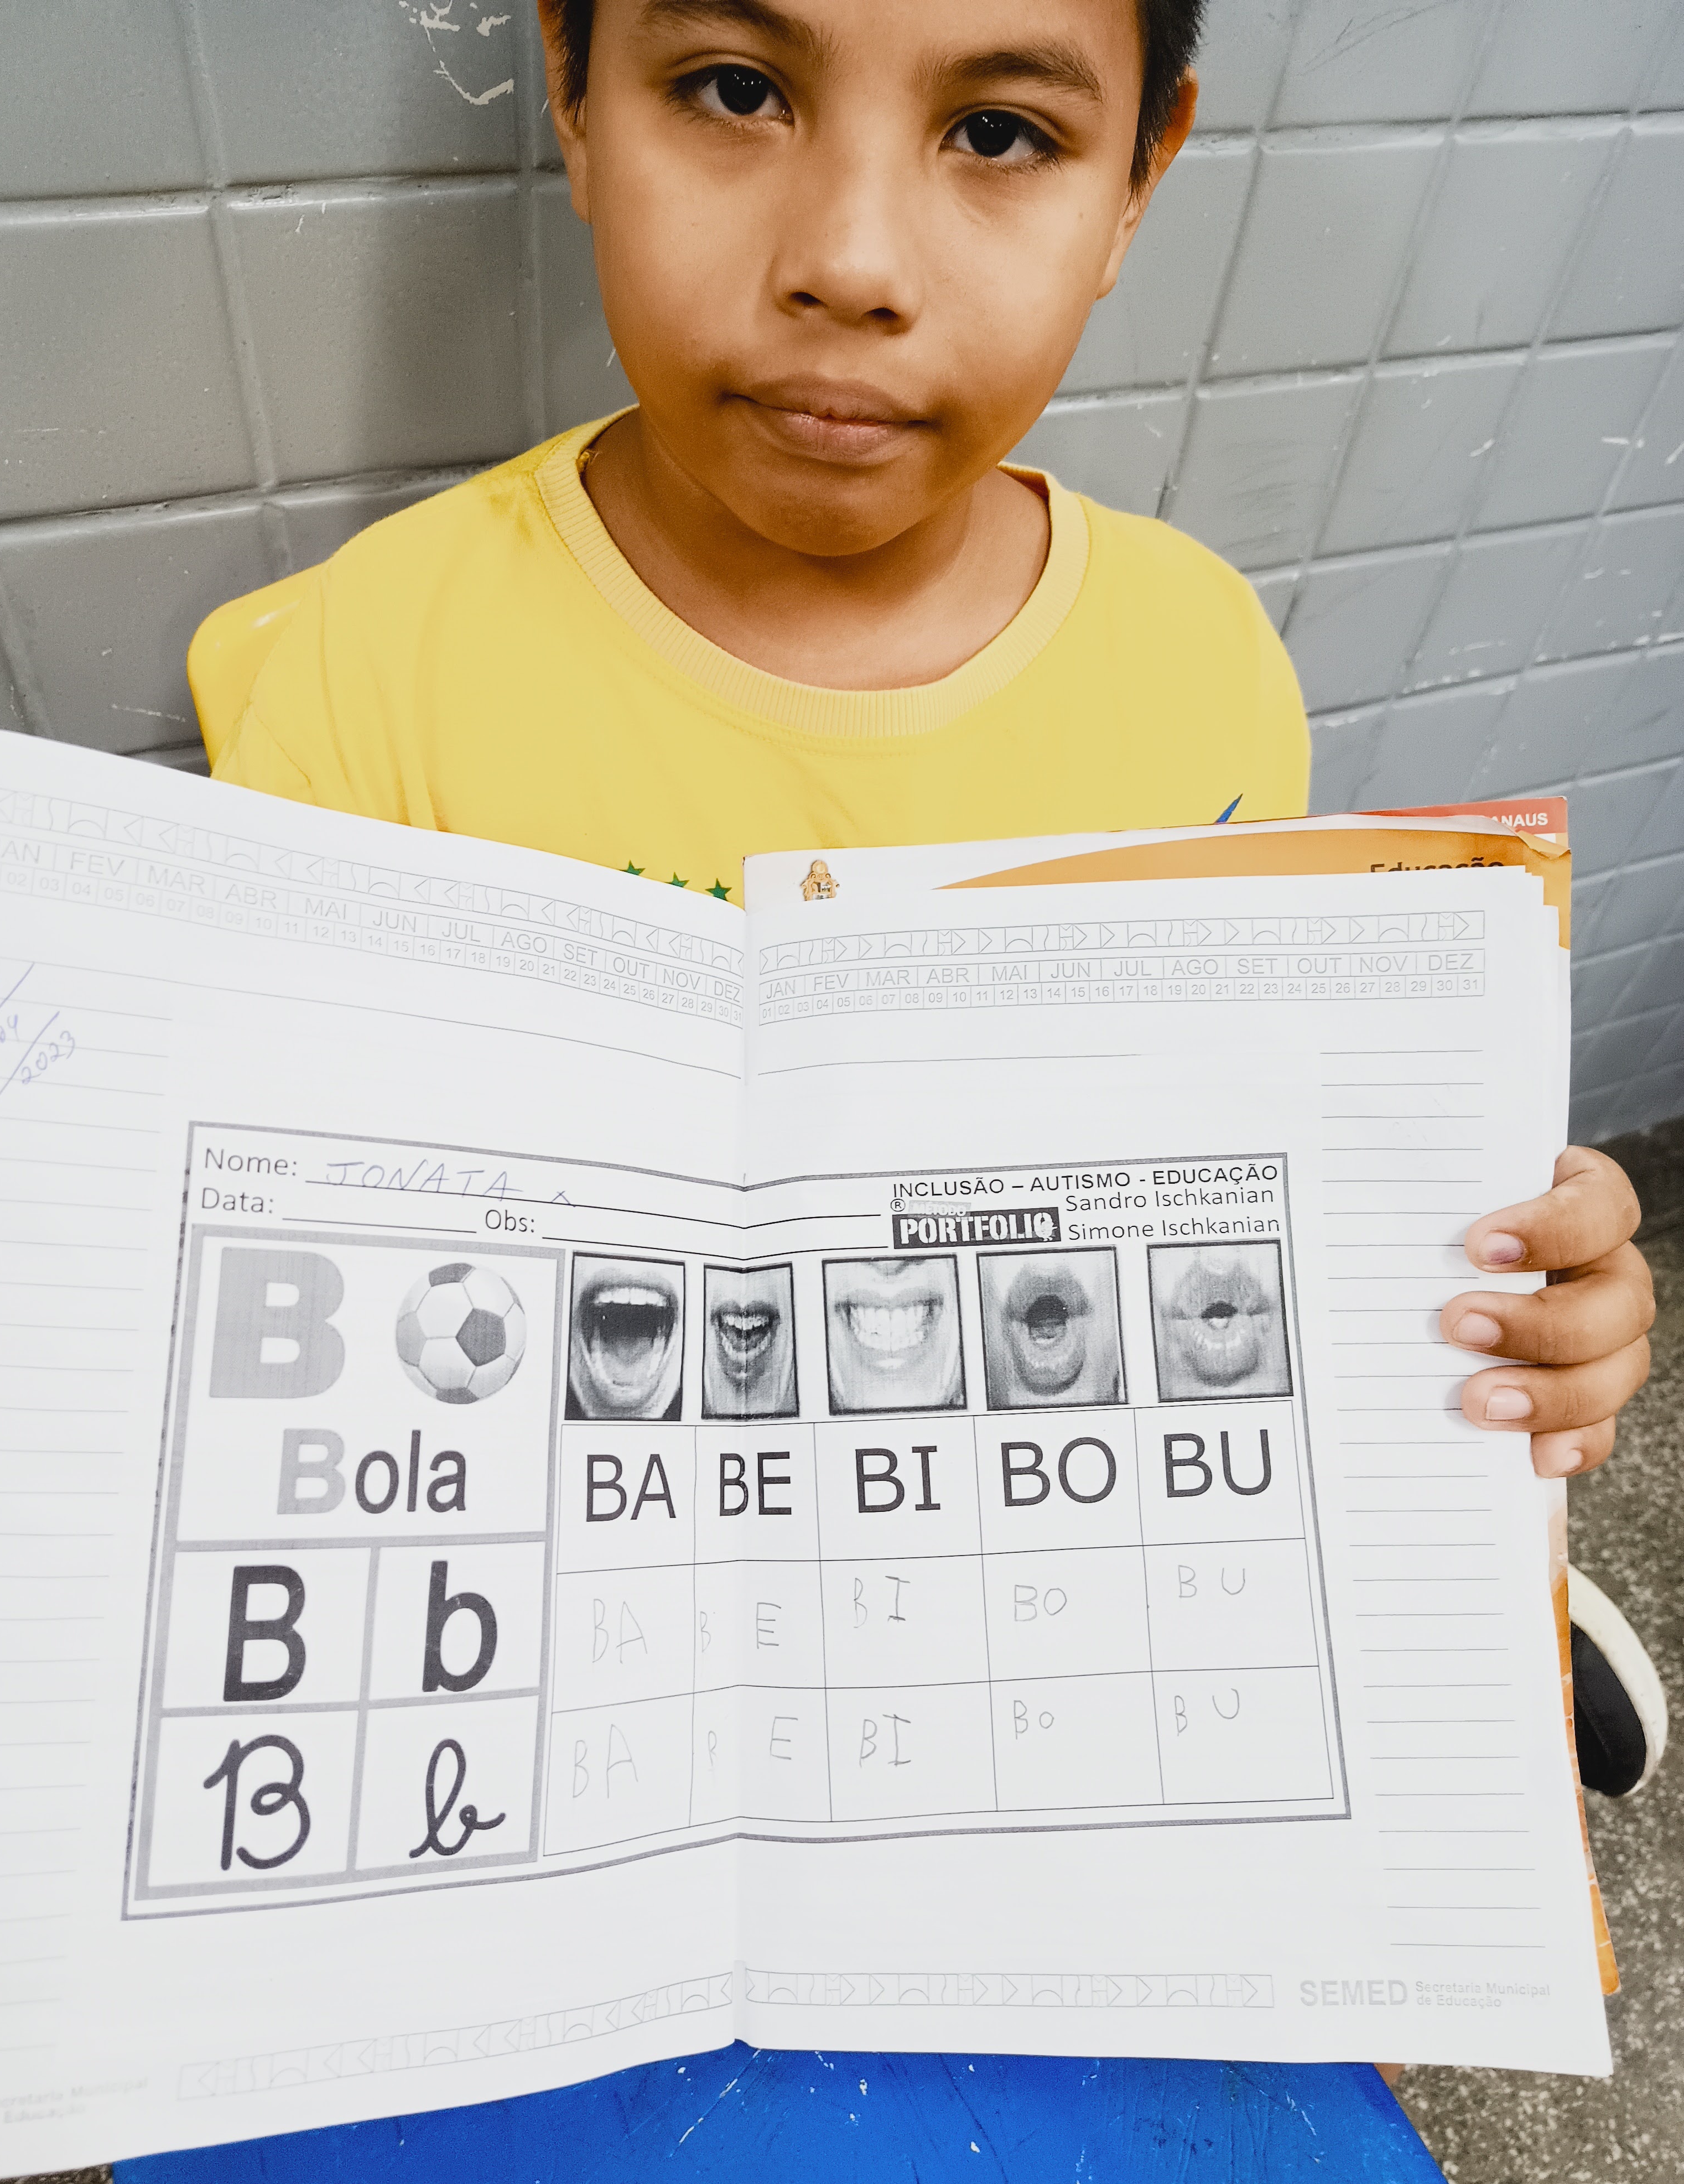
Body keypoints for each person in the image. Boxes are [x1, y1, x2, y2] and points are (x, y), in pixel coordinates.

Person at [209, 0, 1662, 1792]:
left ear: (1137, 182)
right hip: (598, 1551)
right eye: (734, 90)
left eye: (998, 134)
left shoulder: (1200, 658)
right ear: (574, 97)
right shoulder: (375, 667)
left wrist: (1485, 1299)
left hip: (1042, 1529)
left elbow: (1230, 1155)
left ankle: (1446, 1582)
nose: (853, 262)